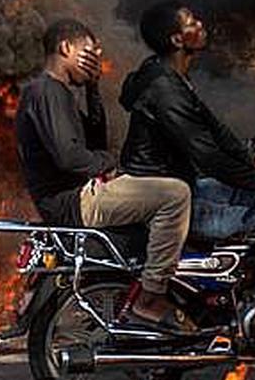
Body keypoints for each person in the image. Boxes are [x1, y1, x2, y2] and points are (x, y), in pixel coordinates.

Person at [117, 1, 255, 337]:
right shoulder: (165, 89)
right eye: (192, 21)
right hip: (173, 200)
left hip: (181, 186)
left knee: (251, 190)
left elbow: (216, 130)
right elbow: (209, 155)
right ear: (177, 40)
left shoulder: (167, 75)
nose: (201, 24)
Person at [15, 18, 197, 333]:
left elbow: (93, 141)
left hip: (80, 195)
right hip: (74, 201)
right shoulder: (45, 91)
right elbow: (71, 157)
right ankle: (151, 298)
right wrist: (111, 165)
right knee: (175, 195)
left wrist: (93, 87)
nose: (94, 60)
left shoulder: (58, 93)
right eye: (88, 52)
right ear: (66, 47)